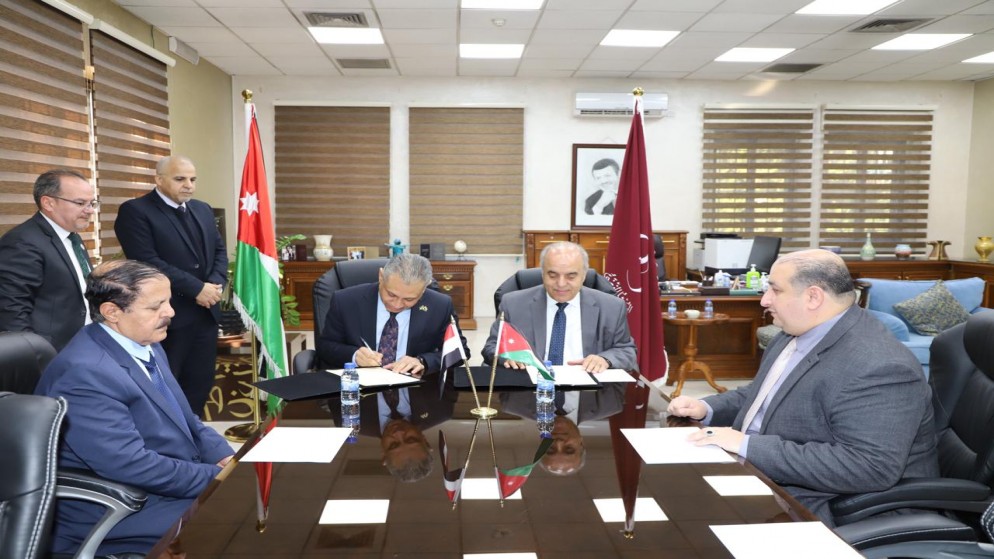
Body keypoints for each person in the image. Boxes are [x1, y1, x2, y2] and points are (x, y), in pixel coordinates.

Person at [667, 249, 938, 526]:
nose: (764, 300)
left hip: (830, 505)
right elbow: (763, 394)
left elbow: (868, 467)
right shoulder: (792, 334)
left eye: (775, 290)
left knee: (685, 525)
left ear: (813, 297)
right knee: (671, 495)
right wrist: (707, 407)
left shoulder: (880, 365)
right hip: (760, 474)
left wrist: (746, 445)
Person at [35, 260, 234, 556]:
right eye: (156, 307)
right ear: (112, 312)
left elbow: (184, 418)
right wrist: (214, 477)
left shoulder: (144, 342)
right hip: (124, 508)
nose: (170, 312)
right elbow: (130, 465)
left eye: (168, 301)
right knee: (240, 525)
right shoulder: (85, 373)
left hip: (162, 484)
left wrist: (225, 457)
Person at [115, 155, 227, 416]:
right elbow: (147, 260)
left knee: (200, 384)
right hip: (166, 316)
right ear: (159, 179)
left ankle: (194, 436)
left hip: (205, 314)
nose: (189, 185)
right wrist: (196, 288)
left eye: (193, 179)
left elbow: (219, 251)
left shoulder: (202, 209)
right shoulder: (136, 211)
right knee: (166, 388)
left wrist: (214, 285)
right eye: (180, 179)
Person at [482, 241, 637, 373]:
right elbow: (491, 347)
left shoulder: (611, 307)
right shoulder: (513, 303)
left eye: (571, 276)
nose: (561, 284)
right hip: (531, 385)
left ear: (583, 275)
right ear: (543, 273)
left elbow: (626, 350)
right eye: (553, 275)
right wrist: (507, 356)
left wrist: (605, 359)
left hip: (587, 386)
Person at [316, 253, 469, 376]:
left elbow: (460, 351)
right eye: (391, 294)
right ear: (381, 276)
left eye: (409, 299)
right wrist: (355, 355)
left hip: (414, 388)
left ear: (424, 289)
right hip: (359, 387)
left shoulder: (440, 305)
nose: (397, 305)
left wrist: (422, 361)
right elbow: (325, 347)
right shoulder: (346, 300)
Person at [0, 169, 96, 350]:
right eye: (80, 203)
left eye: (92, 203)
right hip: (49, 351)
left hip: (80, 343)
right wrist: (33, 355)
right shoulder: (22, 242)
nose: (90, 210)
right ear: (48, 203)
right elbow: (12, 309)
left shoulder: (72, 236)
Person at [324, 374, 455, 482]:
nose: (398, 433)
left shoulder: (348, 420)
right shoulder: (441, 408)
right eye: (410, 439)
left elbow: (328, 373)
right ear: (425, 441)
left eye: (393, 445)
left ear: (383, 454)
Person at [500, 382, 626, 475]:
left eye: (550, 449)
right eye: (569, 449)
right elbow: (626, 360)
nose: (559, 442)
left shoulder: (513, 403)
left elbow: (497, 361)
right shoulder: (609, 403)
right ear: (581, 443)